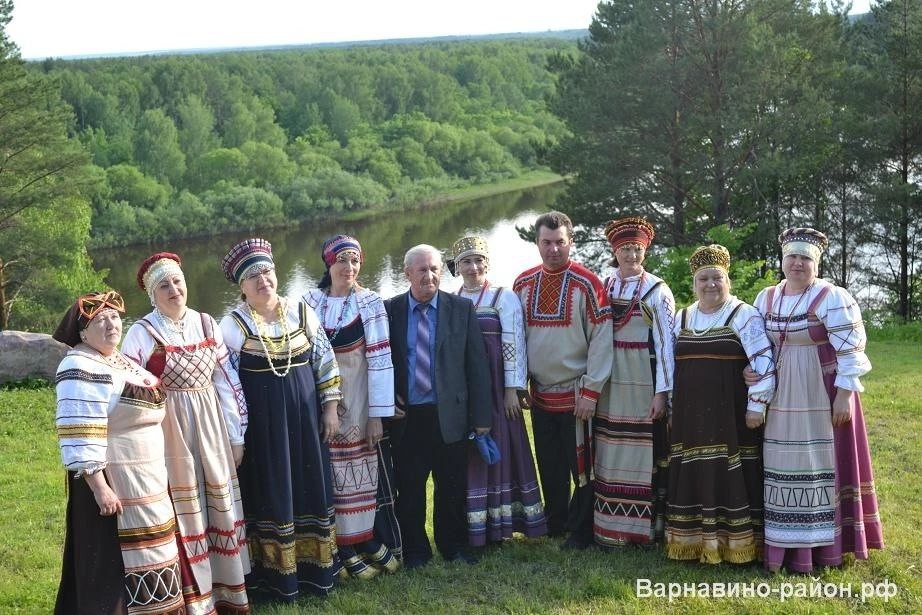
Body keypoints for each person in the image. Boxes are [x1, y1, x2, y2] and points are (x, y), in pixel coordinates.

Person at [121, 252, 250, 613]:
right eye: (164, 285)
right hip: (168, 431)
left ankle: (227, 591)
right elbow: (129, 393)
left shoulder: (208, 324)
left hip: (211, 429)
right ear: (152, 295)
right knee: (182, 508)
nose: (173, 289)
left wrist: (236, 435)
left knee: (217, 505)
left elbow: (227, 383)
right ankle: (193, 597)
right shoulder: (141, 332)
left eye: (177, 281)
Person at [751, 228, 883, 573]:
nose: (797, 263)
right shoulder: (766, 298)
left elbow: (852, 352)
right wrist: (749, 373)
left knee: (818, 462)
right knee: (780, 460)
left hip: (820, 391)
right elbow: (754, 345)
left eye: (805, 258)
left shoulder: (831, 296)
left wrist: (844, 396)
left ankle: (824, 546)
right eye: (792, 256)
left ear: (816, 263)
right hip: (778, 392)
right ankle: (783, 545)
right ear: (782, 260)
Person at [218, 238, 342, 601]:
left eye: (267, 272)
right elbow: (226, 384)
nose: (263, 280)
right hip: (263, 430)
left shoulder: (302, 313)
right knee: (270, 492)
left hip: (304, 423)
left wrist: (331, 408)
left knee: (308, 487)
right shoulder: (233, 326)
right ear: (242, 287)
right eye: (253, 276)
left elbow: (325, 361)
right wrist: (236, 433)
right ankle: (274, 578)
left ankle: (315, 573)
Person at [53, 290, 186, 614]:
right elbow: (79, 431)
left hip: (147, 480)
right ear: (83, 332)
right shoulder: (78, 365)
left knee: (155, 549)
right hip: (115, 485)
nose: (111, 324)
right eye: (100, 320)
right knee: (114, 566)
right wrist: (100, 489)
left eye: (114, 317)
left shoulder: (117, 358)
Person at [384, 244, 492, 569]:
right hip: (408, 418)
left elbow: (477, 366)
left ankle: (452, 546)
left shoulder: (461, 308)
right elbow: (379, 363)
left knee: (451, 487)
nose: (429, 275)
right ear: (407, 273)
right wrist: (386, 399)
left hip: (451, 416)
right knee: (411, 489)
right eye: (421, 270)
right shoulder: (390, 310)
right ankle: (416, 551)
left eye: (434, 269)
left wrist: (481, 417)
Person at [665, 244, 775, 564]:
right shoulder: (682, 316)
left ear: (728, 281)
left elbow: (764, 362)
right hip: (689, 415)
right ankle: (694, 541)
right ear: (694, 283)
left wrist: (757, 405)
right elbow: (672, 367)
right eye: (703, 279)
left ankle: (736, 545)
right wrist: (671, 406)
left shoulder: (744, 315)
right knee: (695, 472)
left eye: (717, 278)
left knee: (733, 474)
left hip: (731, 416)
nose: (711, 284)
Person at [303, 235, 401, 579]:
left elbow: (381, 360)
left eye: (355, 261)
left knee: (359, 470)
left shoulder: (369, 302)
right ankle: (338, 546)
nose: (349, 268)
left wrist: (377, 415)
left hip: (359, 399)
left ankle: (363, 538)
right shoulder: (308, 301)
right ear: (328, 264)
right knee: (328, 471)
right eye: (341, 261)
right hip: (321, 400)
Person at [513, 211, 612, 550]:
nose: (553, 249)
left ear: (571, 242)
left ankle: (582, 530)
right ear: (537, 243)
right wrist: (518, 381)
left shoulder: (588, 283)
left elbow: (601, 338)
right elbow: (516, 338)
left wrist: (592, 389)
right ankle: (555, 521)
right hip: (540, 394)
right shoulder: (523, 284)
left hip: (576, 393)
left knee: (581, 467)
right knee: (550, 464)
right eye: (546, 242)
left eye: (559, 242)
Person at [446, 236, 547, 546]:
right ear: (457, 267)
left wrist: (511, 389)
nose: (473, 266)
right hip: (466, 391)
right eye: (466, 261)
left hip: (497, 388)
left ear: (487, 264)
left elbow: (514, 344)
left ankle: (505, 523)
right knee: (473, 453)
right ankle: (478, 524)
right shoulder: (452, 298)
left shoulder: (503, 297)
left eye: (479, 260)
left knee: (502, 446)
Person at [593, 216, 674, 549]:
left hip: (642, 375)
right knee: (609, 447)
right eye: (625, 249)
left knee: (644, 451)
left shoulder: (658, 289)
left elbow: (668, 343)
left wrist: (663, 393)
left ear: (645, 251)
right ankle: (607, 527)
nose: (631, 255)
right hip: (609, 377)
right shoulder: (603, 285)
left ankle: (643, 530)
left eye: (637, 249)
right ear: (615, 252)